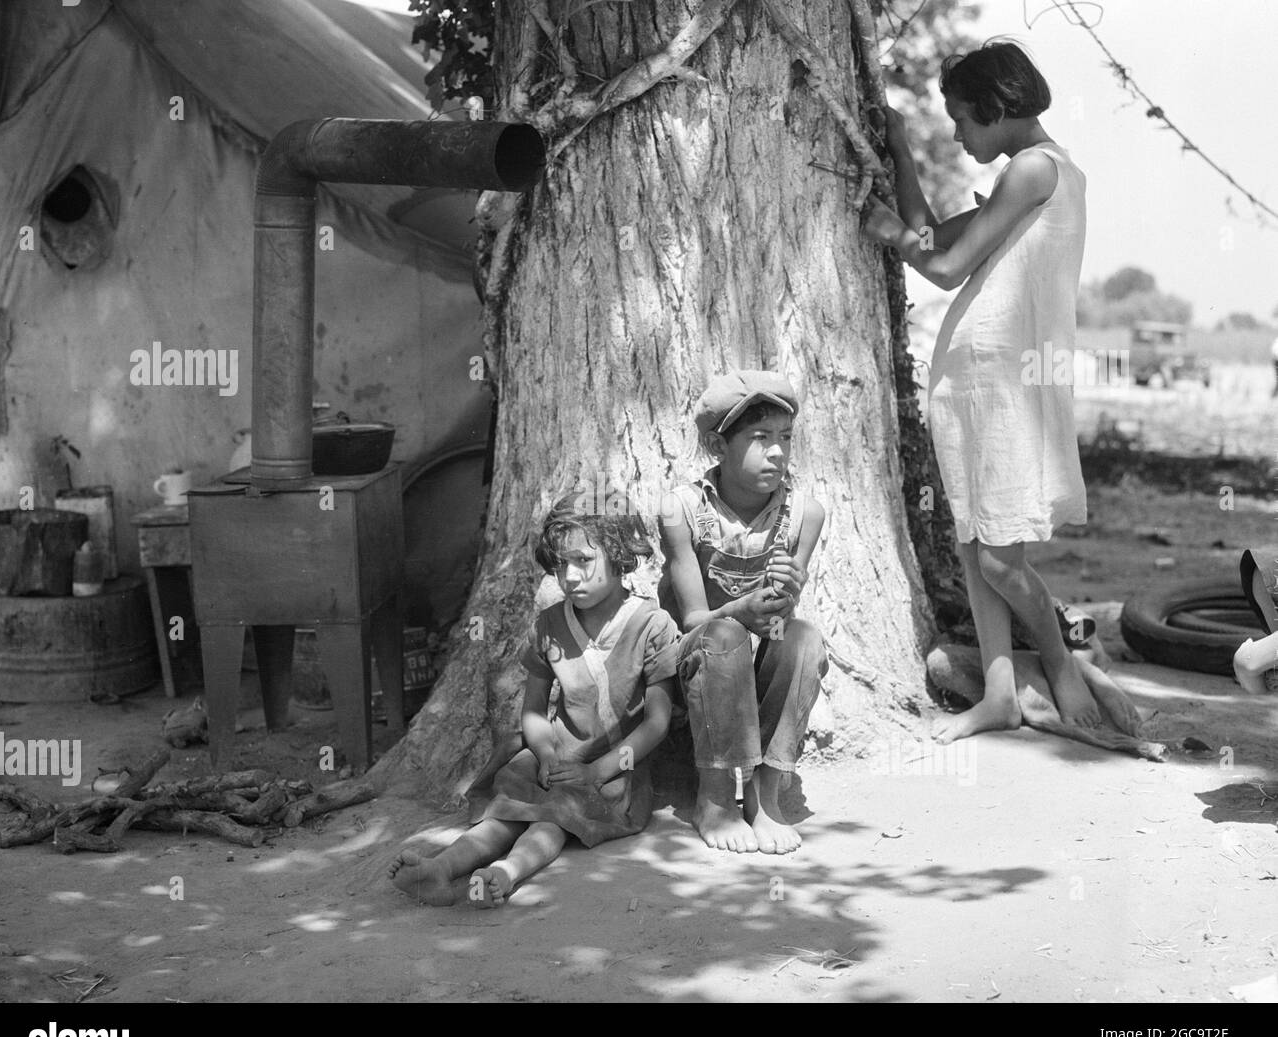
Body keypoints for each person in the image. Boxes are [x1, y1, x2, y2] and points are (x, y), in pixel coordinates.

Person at [863, 39, 1103, 743]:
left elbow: (941, 265)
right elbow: (934, 237)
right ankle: (1000, 692)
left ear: (999, 107)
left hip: (1002, 383)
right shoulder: (1030, 177)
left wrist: (888, 233)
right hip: (974, 378)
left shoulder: (1034, 169)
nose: (961, 134)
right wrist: (902, 157)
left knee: (999, 553)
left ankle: (1058, 664)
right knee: (974, 545)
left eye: (965, 119)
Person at [389, 487, 679, 907]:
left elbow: (657, 721)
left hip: (613, 769)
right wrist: (544, 756)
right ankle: (441, 869)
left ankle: (504, 874)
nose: (571, 576)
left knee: (555, 818)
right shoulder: (549, 624)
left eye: (584, 560)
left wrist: (597, 772)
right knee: (507, 812)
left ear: (619, 555)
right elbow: (535, 709)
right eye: (561, 565)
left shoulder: (651, 625)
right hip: (554, 758)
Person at [658, 371, 827, 855]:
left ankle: (765, 792)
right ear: (718, 445)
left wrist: (785, 596)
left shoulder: (803, 514)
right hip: (691, 666)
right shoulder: (683, 509)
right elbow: (693, 619)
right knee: (724, 633)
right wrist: (740, 608)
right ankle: (714, 797)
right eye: (760, 438)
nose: (777, 452)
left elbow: (777, 619)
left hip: (747, 672)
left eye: (786, 438)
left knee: (804, 638)